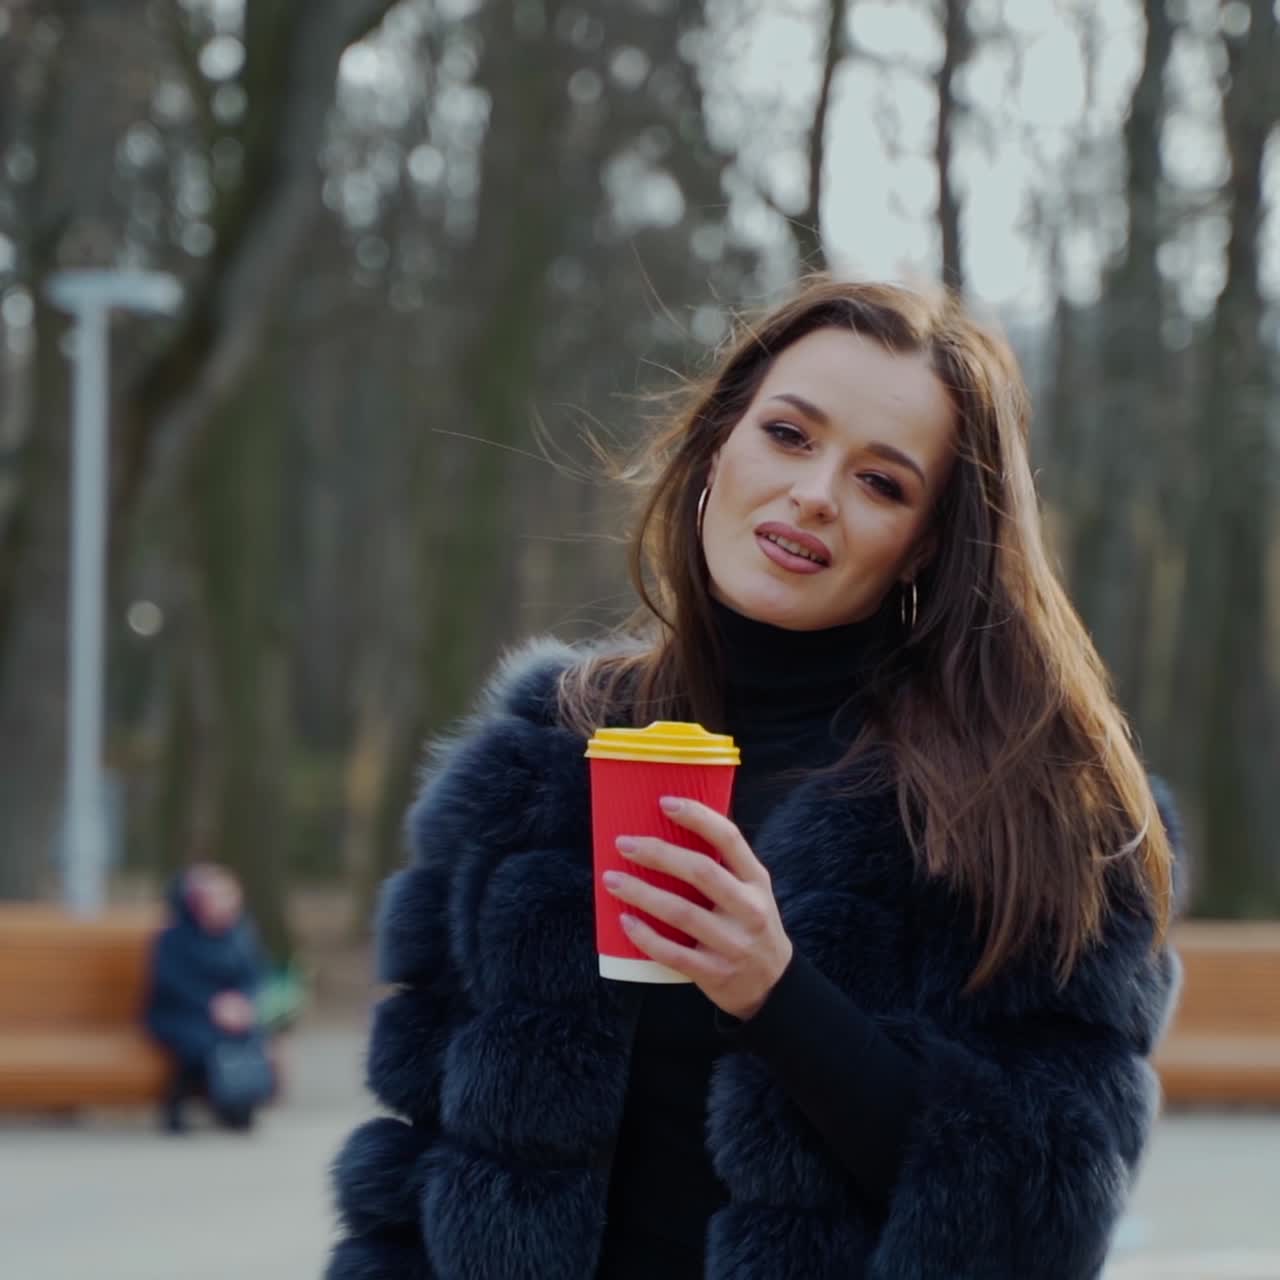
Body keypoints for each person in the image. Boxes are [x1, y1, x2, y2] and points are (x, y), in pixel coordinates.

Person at [327, 277, 1183, 1279]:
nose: (814, 492)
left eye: (881, 482)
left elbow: (1039, 1219)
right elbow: (411, 1173)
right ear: (716, 442)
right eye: (787, 434)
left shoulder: (1030, 815)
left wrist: (777, 993)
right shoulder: (540, 756)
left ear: (924, 547)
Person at [144, 862, 274, 1133]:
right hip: (180, 1012)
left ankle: (238, 1104)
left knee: (250, 1036)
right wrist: (212, 1005)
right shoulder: (173, 938)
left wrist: (243, 1003)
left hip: (231, 1013)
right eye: (218, 897)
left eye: (230, 897)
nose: (227, 905)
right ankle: (177, 1102)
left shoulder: (240, 935)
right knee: (199, 1042)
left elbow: (255, 976)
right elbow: (171, 983)